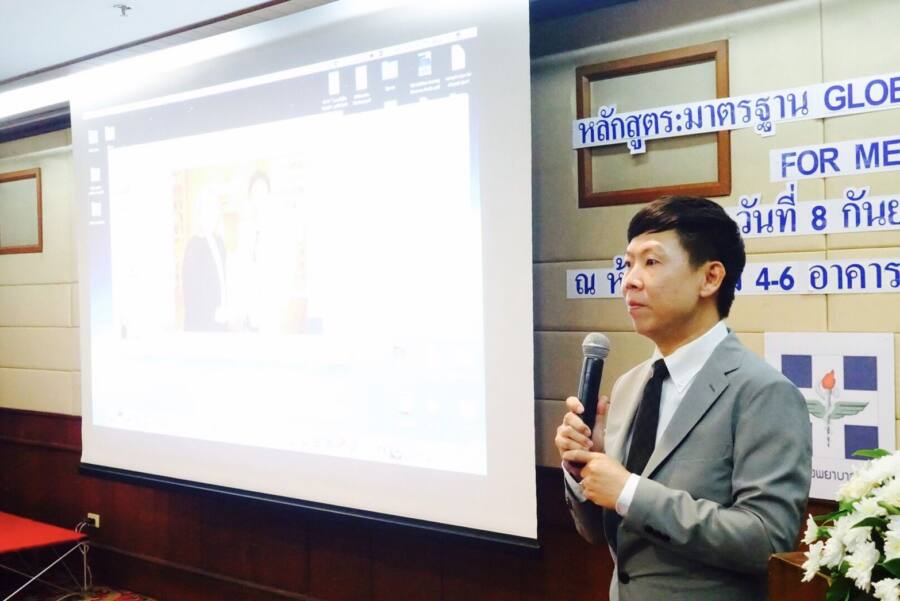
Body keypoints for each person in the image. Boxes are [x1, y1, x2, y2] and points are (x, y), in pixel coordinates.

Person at [555, 196, 812, 601]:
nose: (630, 281)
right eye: (627, 264)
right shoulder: (628, 385)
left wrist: (629, 490)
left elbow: (766, 539)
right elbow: (600, 532)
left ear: (710, 278)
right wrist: (583, 467)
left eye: (651, 262)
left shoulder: (763, 393)